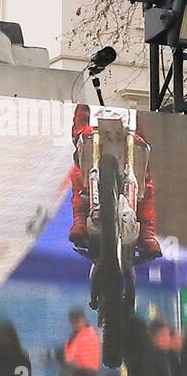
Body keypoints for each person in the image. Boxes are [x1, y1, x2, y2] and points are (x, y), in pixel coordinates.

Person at [68, 105, 161, 260]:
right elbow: (79, 126)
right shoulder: (86, 95)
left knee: (145, 177)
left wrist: (142, 137)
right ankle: (81, 220)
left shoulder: (133, 99)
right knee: (78, 172)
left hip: (128, 142)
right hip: (95, 141)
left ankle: (146, 233)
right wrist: (82, 134)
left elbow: (145, 127)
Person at [63, 308, 101, 376]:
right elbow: (70, 353)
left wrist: (73, 363)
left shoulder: (88, 335)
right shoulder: (77, 335)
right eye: (73, 321)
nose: (75, 324)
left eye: (77, 320)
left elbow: (82, 356)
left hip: (86, 374)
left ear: (83, 319)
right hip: (78, 374)